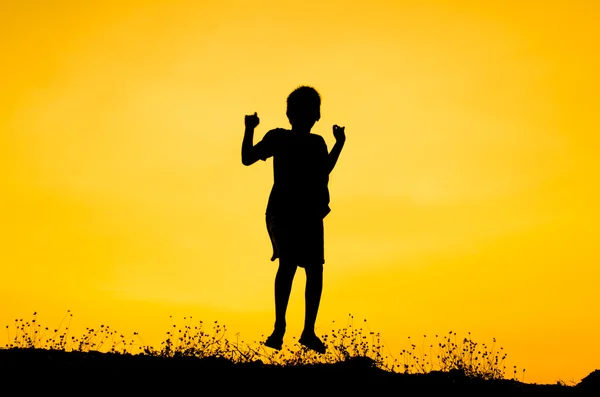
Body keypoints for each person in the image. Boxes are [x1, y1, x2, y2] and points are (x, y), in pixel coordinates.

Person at [241, 85, 346, 353]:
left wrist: (339, 145)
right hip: (282, 212)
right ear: (290, 114)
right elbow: (247, 158)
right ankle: (279, 328)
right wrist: (250, 128)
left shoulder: (317, 143)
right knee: (287, 263)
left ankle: (308, 331)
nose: (307, 116)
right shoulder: (278, 138)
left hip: (310, 212)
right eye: (301, 111)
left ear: (317, 115)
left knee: (315, 269)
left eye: (312, 111)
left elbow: (324, 171)